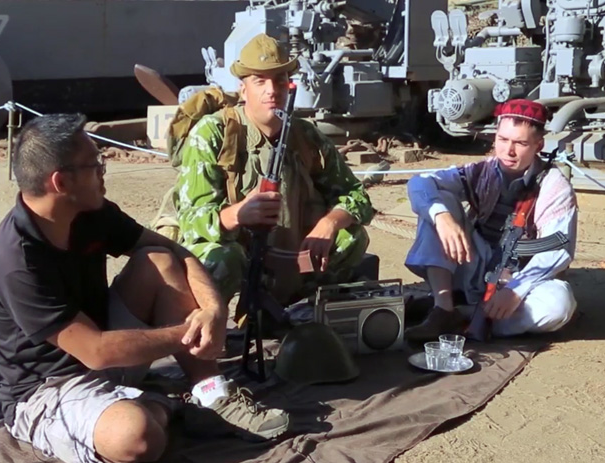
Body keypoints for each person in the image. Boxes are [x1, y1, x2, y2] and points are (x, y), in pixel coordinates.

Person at [0, 114, 289, 463]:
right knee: (137, 437)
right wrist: (190, 332)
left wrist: (214, 310)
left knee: (158, 260)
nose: (103, 173)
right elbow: (95, 351)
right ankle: (164, 404)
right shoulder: (15, 262)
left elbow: (175, 251)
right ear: (61, 182)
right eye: (95, 165)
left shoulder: (90, 213)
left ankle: (210, 393)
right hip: (49, 388)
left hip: (109, 355)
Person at [173, 33, 375, 305]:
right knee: (222, 259)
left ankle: (303, 309)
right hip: (236, 248)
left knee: (351, 238)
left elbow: (357, 196)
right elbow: (191, 220)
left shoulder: (306, 136)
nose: (272, 90)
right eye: (260, 80)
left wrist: (329, 223)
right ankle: (203, 322)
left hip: (290, 249)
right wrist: (238, 214)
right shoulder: (214, 132)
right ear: (243, 89)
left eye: (280, 80)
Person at [404, 99, 578, 340]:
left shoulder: (554, 186)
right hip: (475, 264)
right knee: (437, 200)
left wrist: (516, 290)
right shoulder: (480, 171)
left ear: (538, 145)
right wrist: (442, 217)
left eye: (520, 143)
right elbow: (420, 182)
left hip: (521, 274)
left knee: (557, 306)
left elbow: (557, 250)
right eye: (503, 140)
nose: (509, 151)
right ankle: (443, 309)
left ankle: (465, 313)